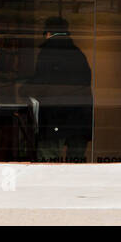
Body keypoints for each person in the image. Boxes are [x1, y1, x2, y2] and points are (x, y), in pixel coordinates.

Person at [23, 16, 93, 162]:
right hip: (81, 117)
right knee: (77, 163)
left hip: (56, 116)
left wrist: (24, 89)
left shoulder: (48, 52)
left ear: (48, 33)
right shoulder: (78, 53)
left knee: (49, 159)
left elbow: (43, 82)